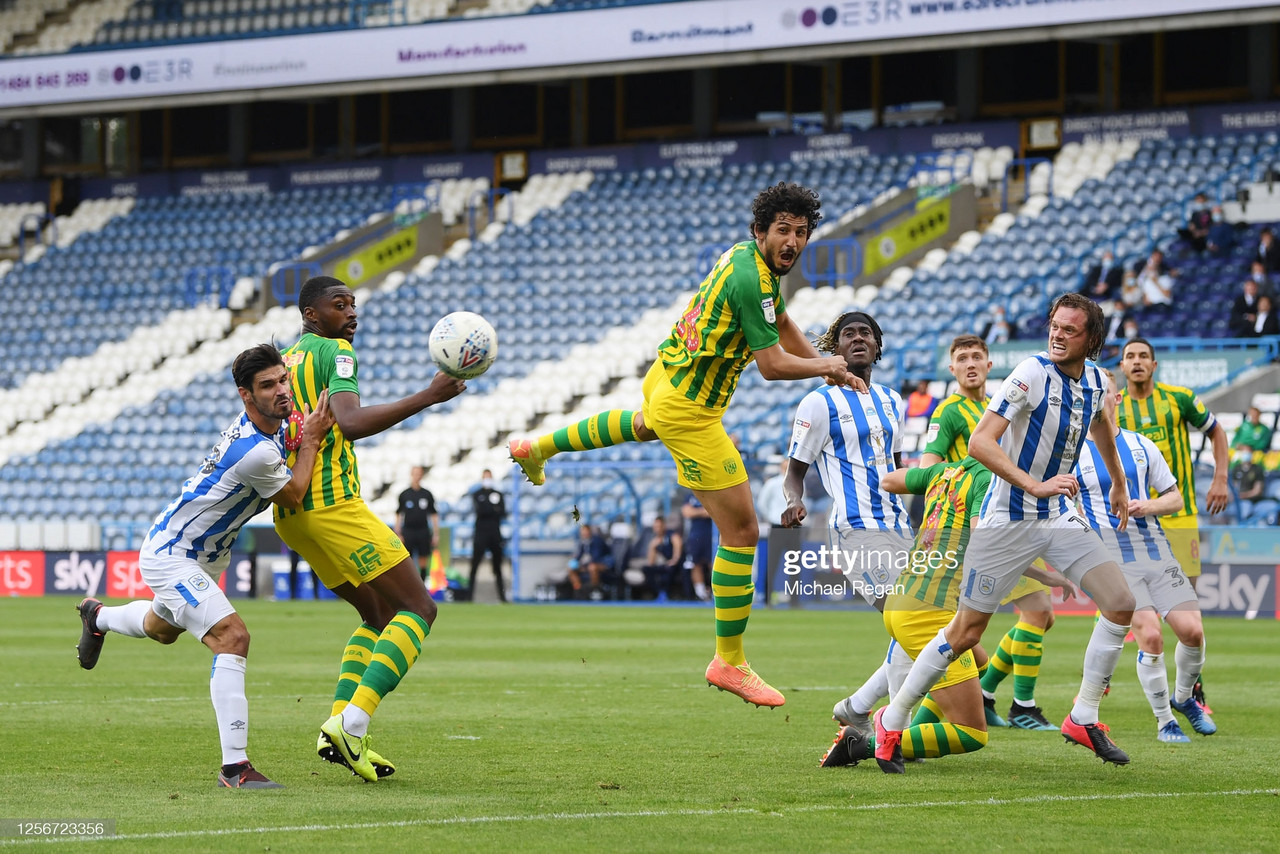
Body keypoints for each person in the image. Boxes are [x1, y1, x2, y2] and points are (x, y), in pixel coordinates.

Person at [507, 182, 859, 708]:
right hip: (692, 410)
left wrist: (825, 375)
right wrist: (828, 364)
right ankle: (730, 661)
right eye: (782, 230)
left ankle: (539, 448)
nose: (792, 241)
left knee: (644, 424)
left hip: (666, 377)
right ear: (759, 231)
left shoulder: (745, 260)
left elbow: (781, 321)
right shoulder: (751, 278)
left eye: (801, 232)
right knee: (741, 532)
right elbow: (771, 366)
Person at [873, 292, 1137, 773]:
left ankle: (1083, 716)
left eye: (1069, 329)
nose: (1057, 334)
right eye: (1054, 325)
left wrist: (1119, 484)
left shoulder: (1098, 382)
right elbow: (979, 442)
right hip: (1005, 520)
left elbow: (1101, 428)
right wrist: (1034, 484)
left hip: (1056, 514)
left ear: (1092, 340)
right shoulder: (1031, 373)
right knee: (966, 631)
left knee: (1121, 603)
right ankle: (891, 719)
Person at [75, 344, 335, 789]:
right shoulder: (254, 451)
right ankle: (235, 767)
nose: (281, 391)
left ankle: (96, 617)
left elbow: (288, 438)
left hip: (205, 557)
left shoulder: (272, 425)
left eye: (282, 380)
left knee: (161, 629)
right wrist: (309, 440)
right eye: (267, 385)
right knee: (233, 637)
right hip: (173, 553)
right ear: (245, 396)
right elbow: (292, 494)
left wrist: (299, 431)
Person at [275, 275, 466, 783]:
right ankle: (352, 723)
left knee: (377, 612)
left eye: (354, 305)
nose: (351, 314)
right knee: (418, 608)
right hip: (334, 504)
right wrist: (429, 395)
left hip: (292, 513)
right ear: (312, 314)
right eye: (339, 306)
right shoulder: (336, 353)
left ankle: (337, 726)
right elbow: (352, 421)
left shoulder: (288, 361)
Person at [819, 457, 1078, 768]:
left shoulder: (943, 471)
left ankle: (899, 728)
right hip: (929, 611)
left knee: (980, 663)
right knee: (971, 734)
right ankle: (861, 745)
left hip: (903, 595)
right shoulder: (987, 480)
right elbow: (987, 544)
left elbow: (888, 481)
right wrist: (1046, 573)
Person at [781, 311, 914, 731]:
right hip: (856, 528)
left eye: (866, 333)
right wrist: (793, 501)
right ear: (835, 348)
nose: (858, 339)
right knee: (908, 621)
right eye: (848, 334)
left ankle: (858, 708)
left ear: (878, 345)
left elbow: (895, 470)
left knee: (921, 625)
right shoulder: (818, 402)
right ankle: (894, 726)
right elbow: (794, 472)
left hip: (901, 528)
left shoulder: (894, 401)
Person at [921, 334, 1061, 731]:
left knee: (1034, 618)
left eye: (976, 357)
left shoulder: (997, 407)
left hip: (1010, 522)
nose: (969, 363)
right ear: (951, 369)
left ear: (988, 363)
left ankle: (983, 693)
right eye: (961, 358)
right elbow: (931, 462)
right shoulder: (949, 411)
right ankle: (1023, 707)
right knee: (1036, 612)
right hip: (979, 530)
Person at [1076, 369, 1216, 742]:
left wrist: (1147, 505)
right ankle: (1164, 721)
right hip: (1114, 564)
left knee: (1193, 632)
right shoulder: (1073, 452)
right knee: (1151, 636)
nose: (1096, 400)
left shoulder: (1140, 445)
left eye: (1102, 393)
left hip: (1157, 553)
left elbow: (1176, 497)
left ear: (1116, 398)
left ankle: (1185, 698)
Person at [1117, 337, 1229, 713]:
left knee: (1186, 608)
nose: (1137, 362)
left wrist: (1220, 478)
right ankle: (1098, 684)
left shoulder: (1179, 398)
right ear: (1121, 365)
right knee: (1118, 604)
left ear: (1154, 364)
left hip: (1177, 515)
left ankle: (1193, 692)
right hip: (1129, 521)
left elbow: (1217, 431)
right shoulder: (1112, 408)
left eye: (1143, 356)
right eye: (1130, 356)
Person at [469, 468, 508, 602]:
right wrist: (492, 508)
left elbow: (502, 512)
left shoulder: (498, 494)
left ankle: (502, 597)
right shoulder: (477, 494)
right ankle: (469, 596)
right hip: (480, 533)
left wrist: (490, 509)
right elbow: (480, 511)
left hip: (495, 534)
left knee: (498, 566)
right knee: (474, 565)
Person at [395, 465, 438, 582]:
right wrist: (398, 533)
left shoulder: (427, 494)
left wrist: (435, 533)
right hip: (408, 531)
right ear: (411, 474)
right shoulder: (404, 494)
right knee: (407, 560)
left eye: (419, 473)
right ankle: (407, 585)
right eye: (415, 473)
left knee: (423, 559)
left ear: (422, 475)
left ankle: (422, 585)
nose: (417, 476)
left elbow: (433, 514)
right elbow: (399, 514)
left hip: (423, 530)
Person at [641, 516, 683, 602]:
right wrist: (652, 547)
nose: (657, 529)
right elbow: (651, 562)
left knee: (669, 570)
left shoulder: (672, 535)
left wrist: (674, 560)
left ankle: (667, 593)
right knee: (647, 569)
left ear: (664, 526)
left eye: (659, 526)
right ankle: (660, 592)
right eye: (655, 527)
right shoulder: (655, 540)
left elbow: (677, 551)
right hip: (666, 564)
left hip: (677, 564)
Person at [681, 494, 713, 601]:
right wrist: (703, 511)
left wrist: (696, 511)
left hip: (712, 535)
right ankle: (701, 593)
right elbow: (686, 512)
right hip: (695, 536)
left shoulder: (712, 493)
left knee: (713, 563)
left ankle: (717, 591)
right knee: (695, 563)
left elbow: (714, 512)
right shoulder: (690, 496)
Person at [1230, 445, 1266, 520]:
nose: (1246, 455)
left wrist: (1243, 496)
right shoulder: (1236, 468)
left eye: (1248, 452)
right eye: (1244, 452)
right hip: (1236, 501)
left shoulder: (1257, 469)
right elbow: (1233, 487)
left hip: (1249, 501)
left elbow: (1257, 491)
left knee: (1244, 510)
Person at [754, 458, 790, 531]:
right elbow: (762, 503)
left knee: (794, 542)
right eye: (785, 467)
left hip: (794, 522)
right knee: (777, 542)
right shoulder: (771, 483)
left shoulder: (800, 484)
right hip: (776, 522)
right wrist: (769, 517)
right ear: (781, 468)